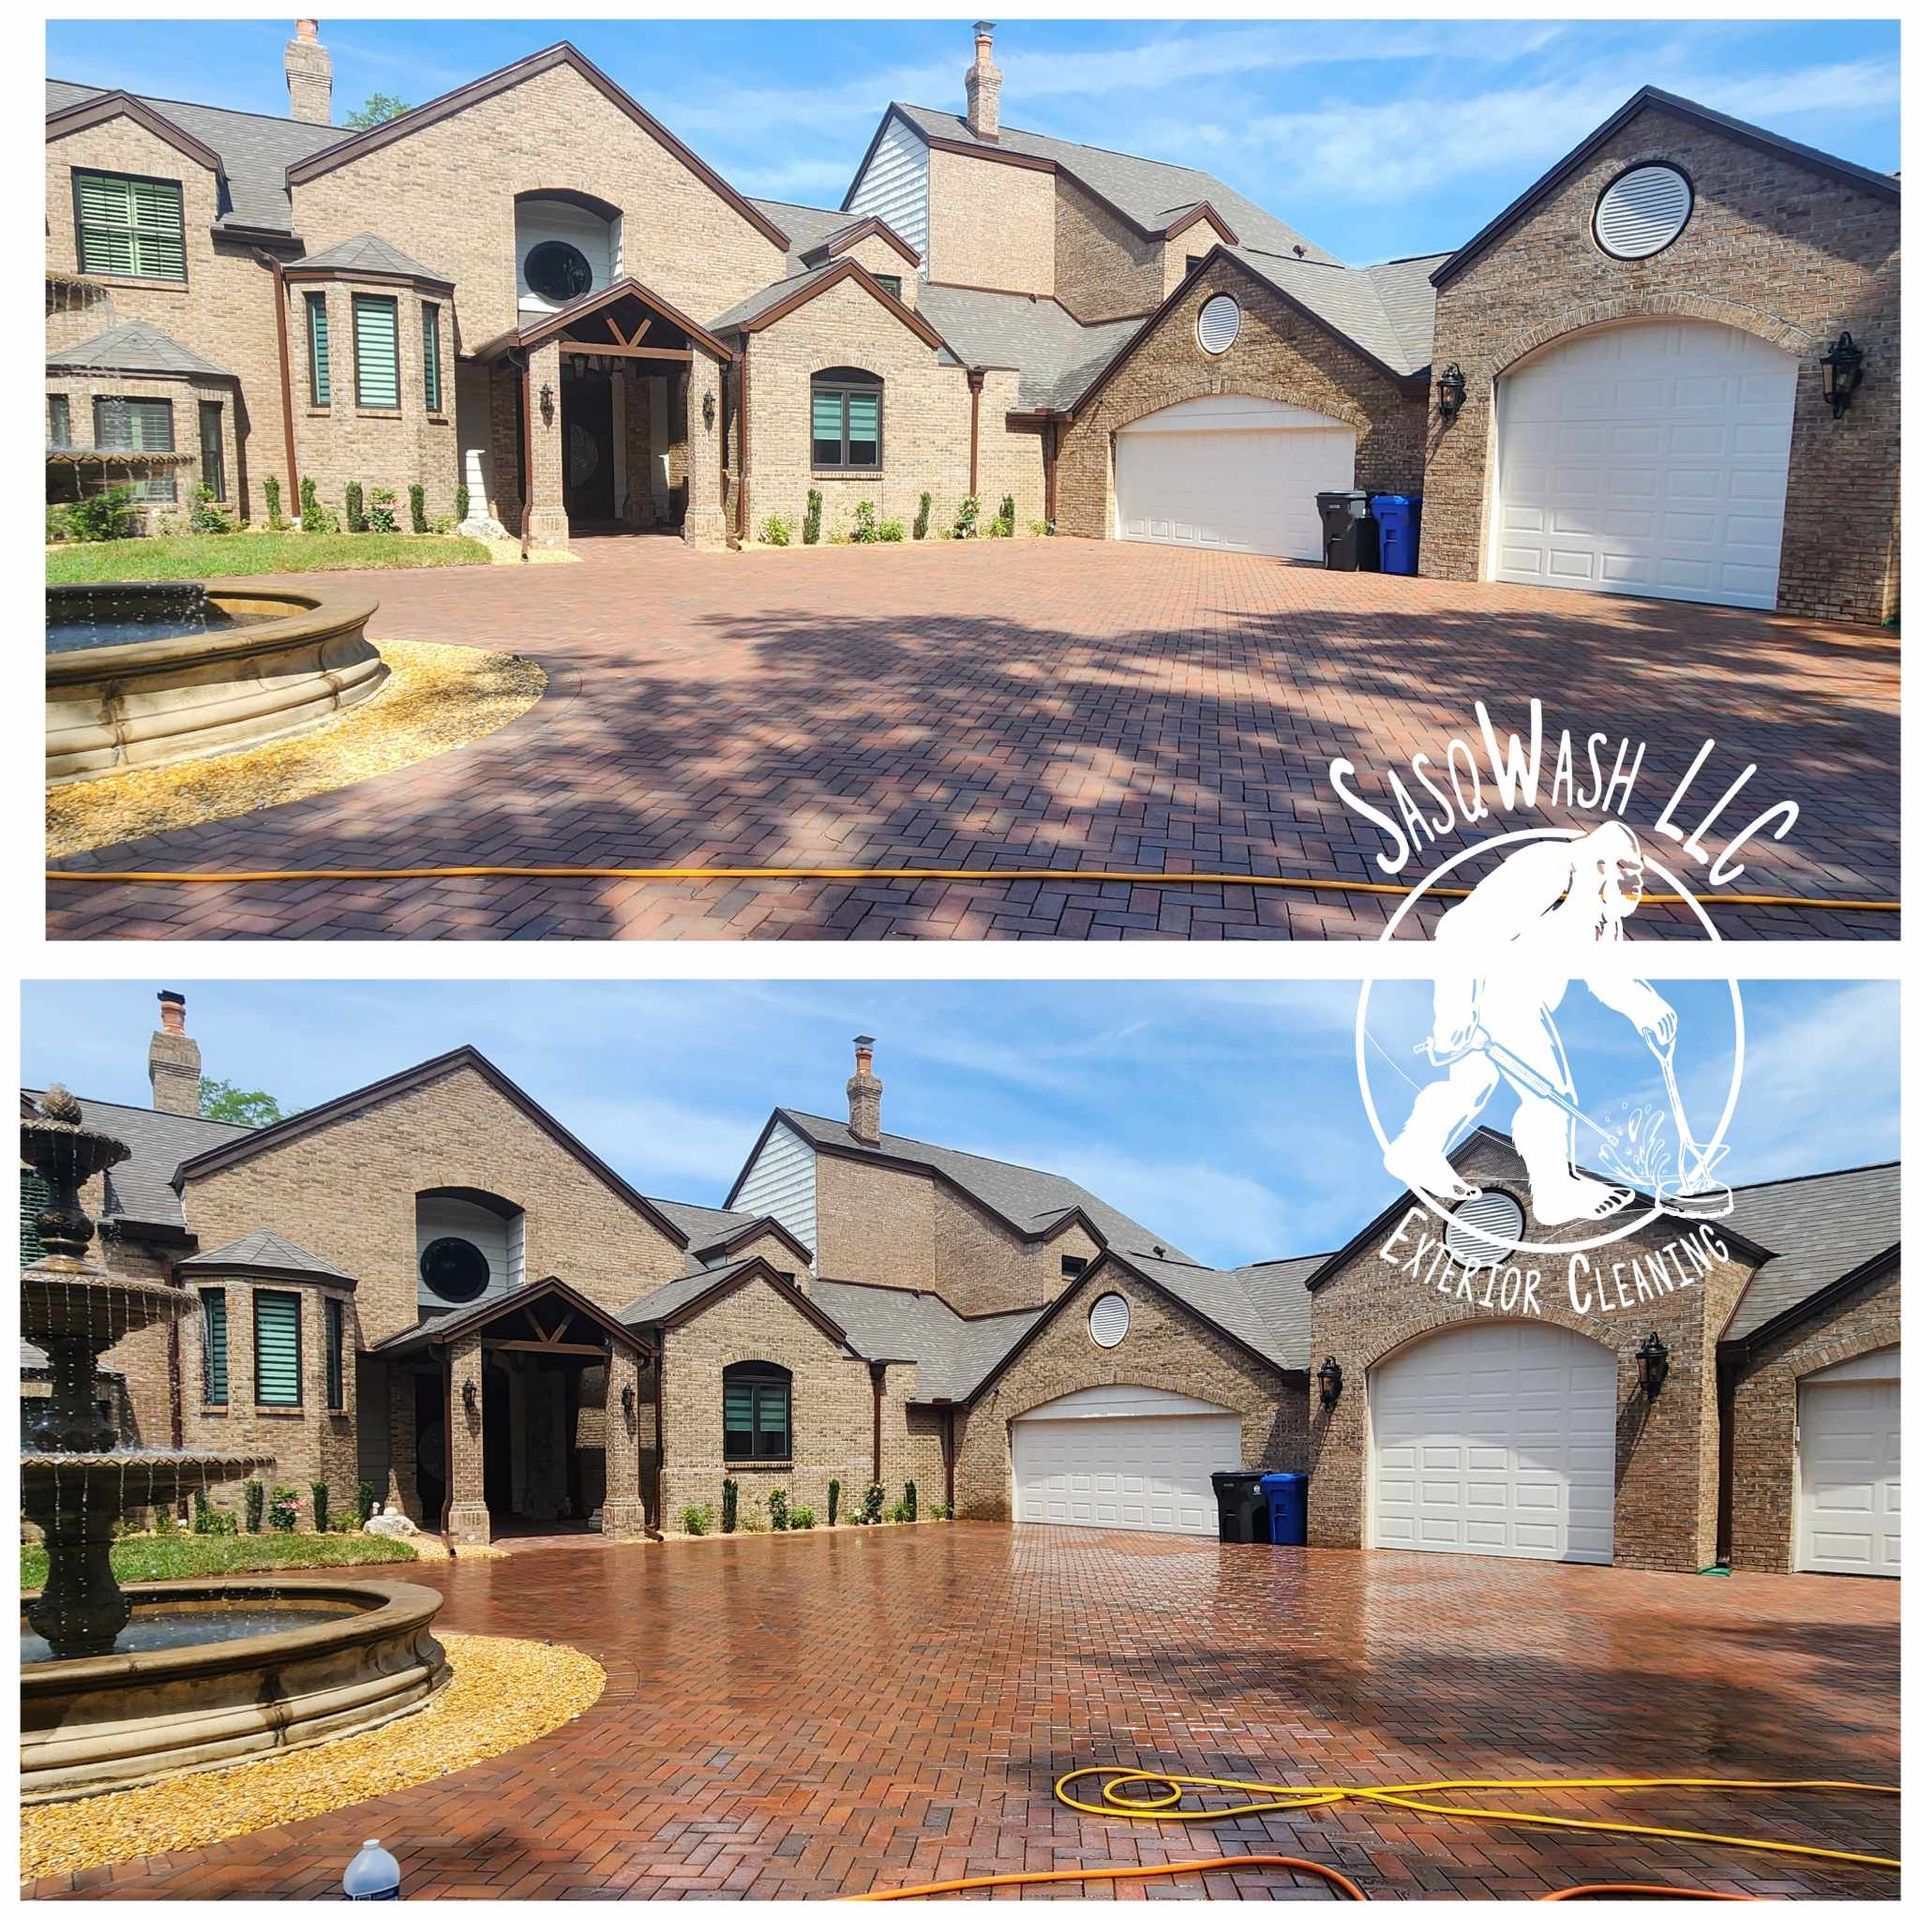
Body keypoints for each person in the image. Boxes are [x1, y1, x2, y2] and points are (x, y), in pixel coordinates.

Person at [1384, 824, 1676, 1225]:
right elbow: (1462, 931)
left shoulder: (1601, 913)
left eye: (1635, 872)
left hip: (1519, 1000)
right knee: (1549, 1094)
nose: (1634, 881)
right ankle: (1554, 1192)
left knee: (1471, 1085)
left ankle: (1414, 1149)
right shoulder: (1550, 867)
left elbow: (1605, 975)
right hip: (1498, 992)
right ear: (1600, 860)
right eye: (1626, 868)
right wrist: (1456, 1011)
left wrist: (1649, 1009)